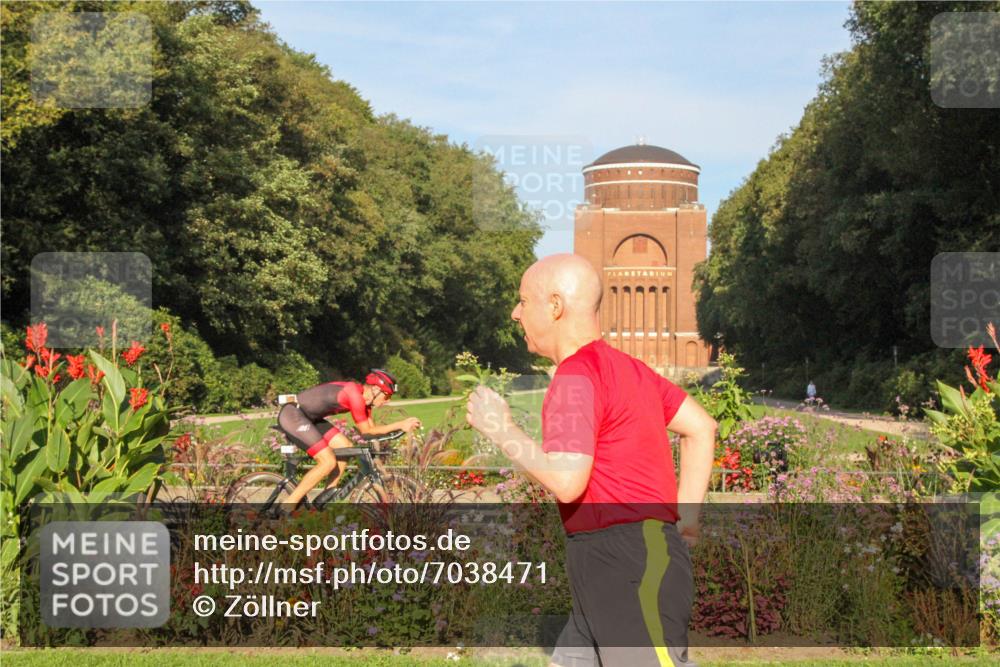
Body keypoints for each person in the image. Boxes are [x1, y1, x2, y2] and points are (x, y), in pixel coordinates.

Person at [466, 254, 718, 667]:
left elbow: (568, 481)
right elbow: (701, 428)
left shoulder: (575, 376)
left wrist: (501, 429)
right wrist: (684, 524)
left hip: (626, 564)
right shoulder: (631, 369)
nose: (515, 313)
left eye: (523, 301)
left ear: (555, 306)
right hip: (611, 562)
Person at [278, 368, 421, 508]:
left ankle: (325, 498)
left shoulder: (366, 404)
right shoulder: (354, 394)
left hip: (310, 418)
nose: (387, 401)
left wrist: (398, 429)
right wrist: (400, 424)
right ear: (376, 390)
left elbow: (370, 432)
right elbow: (366, 430)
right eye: (387, 396)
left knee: (344, 446)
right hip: (293, 415)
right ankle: (288, 506)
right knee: (327, 461)